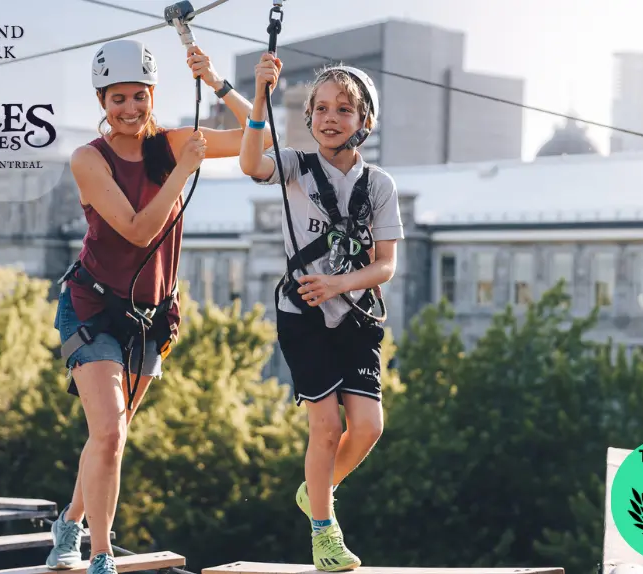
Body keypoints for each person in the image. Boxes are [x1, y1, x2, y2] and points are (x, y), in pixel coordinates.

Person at [48, 38, 271, 574]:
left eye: (139, 96)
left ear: (153, 94)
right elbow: (137, 229)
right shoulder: (89, 159)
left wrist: (219, 82)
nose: (129, 109)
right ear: (101, 101)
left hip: (149, 316)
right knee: (110, 432)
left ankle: (69, 523)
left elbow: (259, 139)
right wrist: (182, 171)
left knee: (110, 435)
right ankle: (100, 554)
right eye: (117, 98)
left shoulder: (171, 143)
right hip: (93, 307)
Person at [239, 53, 403, 572]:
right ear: (309, 116)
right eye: (323, 108)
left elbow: (385, 265)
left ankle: (316, 491)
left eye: (345, 109)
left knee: (368, 427)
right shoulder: (295, 166)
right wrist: (260, 97)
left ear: (365, 121)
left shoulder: (378, 185)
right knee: (326, 426)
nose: (332, 117)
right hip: (304, 314)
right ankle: (323, 533)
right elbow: (251, 164)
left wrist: (339, 283)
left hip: (356, 314)